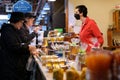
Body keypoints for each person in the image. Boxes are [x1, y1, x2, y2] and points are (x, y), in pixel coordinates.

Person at [0, 12, 38, 80]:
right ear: (17, 21)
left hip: (13, 65)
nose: (21, 25)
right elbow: (15, 47)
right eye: (21, 22)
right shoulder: (8, 31)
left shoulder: (12, 30)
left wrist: (28, 50)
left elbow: (19, 44)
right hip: (9, 67)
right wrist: (28, 48)